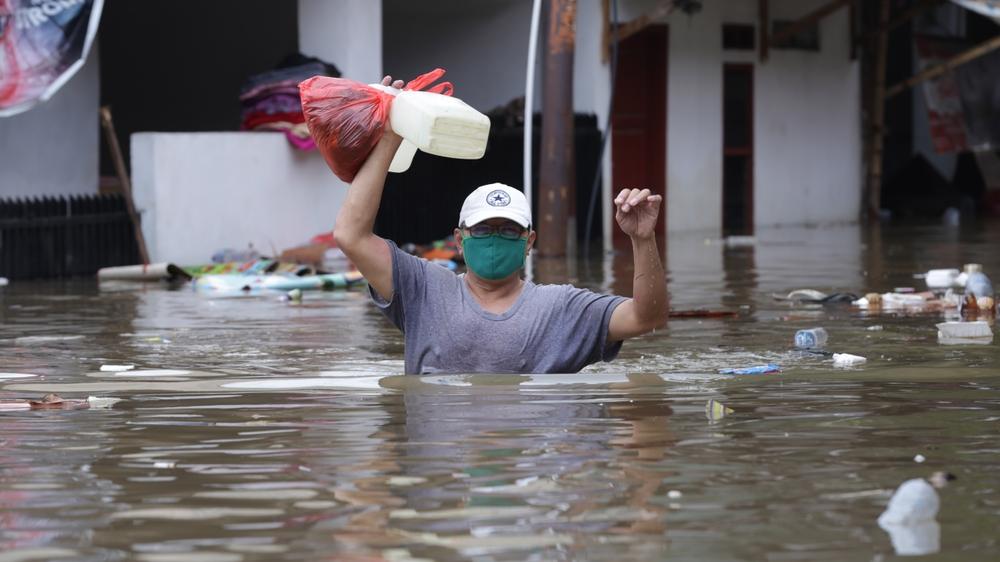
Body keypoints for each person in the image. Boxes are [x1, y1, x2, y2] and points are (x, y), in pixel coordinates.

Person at [333, 76, 668, 374]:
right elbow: (351, 236)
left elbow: (646, 317)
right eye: (482, 230)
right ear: (459, 239)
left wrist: (643, 239)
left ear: (529, 241)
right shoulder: (422, 289)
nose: (494, 239)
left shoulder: (561, 308)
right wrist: (389, 137)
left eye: (508, 230)